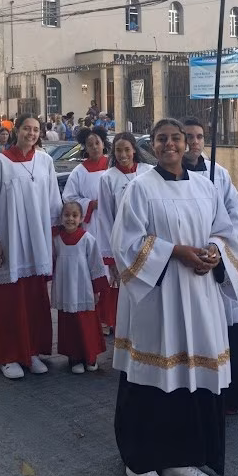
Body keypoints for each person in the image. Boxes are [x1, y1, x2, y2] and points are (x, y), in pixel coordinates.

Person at [111, 118, 238, 476]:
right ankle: (141, 460)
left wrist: (215, 251)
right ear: (153, 145)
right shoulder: (140, 188)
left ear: (187, 144)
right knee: (151, 379)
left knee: (189, 379)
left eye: (176, 139)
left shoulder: (205, 186)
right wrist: (176, 252)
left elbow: (225, 230)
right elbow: (125, 243)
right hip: (157, 299)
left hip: (199, 297)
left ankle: (180, 458)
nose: (170, 144)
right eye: (162, 139)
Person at [0, 113, 62, 379]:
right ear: (17, 131)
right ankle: (7, 355)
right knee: (8, 300)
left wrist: (55, 240)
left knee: (34, 299)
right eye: (27, 128)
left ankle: (31, 351)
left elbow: (53, 203)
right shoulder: (0, 163)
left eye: (36, 129)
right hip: (10, 241)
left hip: (37, 242)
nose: (32, 133)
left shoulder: (45, 161)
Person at [182, 117, 238, 414]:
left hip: (215, 259)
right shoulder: (169, 174)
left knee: (226, 326)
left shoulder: (218, 174)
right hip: (186, 262)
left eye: (199, 136)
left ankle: (228, 396)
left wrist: (217, 248)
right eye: (189, 136)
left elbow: (234, 214)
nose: (195, 141)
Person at [97, 132, 152, 331]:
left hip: (149, 244)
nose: (123, 154)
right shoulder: (108, 178)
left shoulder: (149, 171)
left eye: (127, 149)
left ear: (134, 150)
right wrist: (110, 258)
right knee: (126, 293)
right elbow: (105, 218)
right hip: (123, 246)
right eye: (118, 150)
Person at [52, 201, 109, 373]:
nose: (70, 219)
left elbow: (96, 264)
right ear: (61, 218)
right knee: (69, 323)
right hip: (65, 289)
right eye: (67, 215)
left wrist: (97, 289)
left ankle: (90, 356)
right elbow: (52, 263)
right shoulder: (56, 241)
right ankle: (74, 357)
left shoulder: (87, 239)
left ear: (82, 218)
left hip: (83, 288)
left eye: (74, 215)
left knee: (87, 323)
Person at [63, 127, 109, 324]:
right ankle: (99, 317)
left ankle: (113, 317)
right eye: (90, 145)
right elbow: (69, 197)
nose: (94, 147)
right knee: (97, 267)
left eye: (97, 143)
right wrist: (91, 204)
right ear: (85, 148)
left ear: (104, 143)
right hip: (92, 226)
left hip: (112, 223)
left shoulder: (113, 165)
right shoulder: (79, 172)